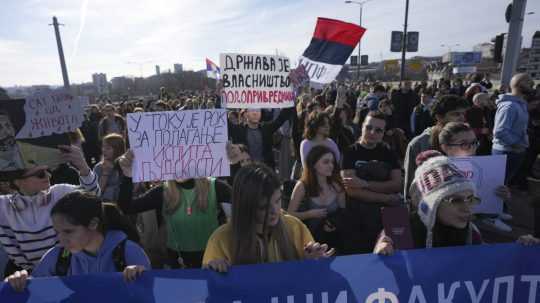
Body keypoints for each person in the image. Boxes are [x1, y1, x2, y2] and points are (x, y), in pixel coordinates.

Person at [374, 153, 540, 255]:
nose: (467, 208)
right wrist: (382, 252)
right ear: (431, 204)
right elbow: (382, 276)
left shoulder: (471, 232)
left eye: (470, 198)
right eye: (455, 200)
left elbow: (489, 263)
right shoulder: (399, 228)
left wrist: (520, 250)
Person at [4, 191, 150, 292]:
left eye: (68, 231)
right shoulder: (58, 256)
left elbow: (149, 293)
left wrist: (142, 276)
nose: (60, 240)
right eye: (57, 232)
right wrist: (19, 281)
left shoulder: (128, 252)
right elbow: (33, 290)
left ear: (93, 224)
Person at [203, 163, 334, 272]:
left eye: (277, 201)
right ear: (245, 206)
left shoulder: (294, 227)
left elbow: (312, 280)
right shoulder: (221, 239)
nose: (274, 211)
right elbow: (211, 289)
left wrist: (313, 261)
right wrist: (215, 269)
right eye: (263, 206)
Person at [117, 151, 231, 269]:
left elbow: (243, 205)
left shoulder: (216, 187)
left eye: (182, 159)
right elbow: (126, 207)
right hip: (177, 263)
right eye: (172, 160)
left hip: (213, 262)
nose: (177, 165)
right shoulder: (162, 191)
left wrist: (234, 164)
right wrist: (127, 175)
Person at [0, 145, 99, 277]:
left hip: (64, 270)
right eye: (40, 174)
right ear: (18, 181)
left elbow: (94, 197)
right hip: (24, 276)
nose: (47, 175)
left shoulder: (59, 192)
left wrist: (84, 167)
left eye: (47, 170)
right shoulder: (4, 206)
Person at [340, 111, 403, 254]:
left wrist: (364, 184)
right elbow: (351, 189)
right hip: (357, 218)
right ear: (362, 126)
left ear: (383, 133)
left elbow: (397, 184)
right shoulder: (350, 152)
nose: (372, 132)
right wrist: (386, 197)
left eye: (378, 130)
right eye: (369, 127)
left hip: (388, 218)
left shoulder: (389, 153)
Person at [435, 122, 513, 232]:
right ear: (446, 147)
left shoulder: (482, 166)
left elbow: (485, 195)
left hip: (470, 229)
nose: (472, 148)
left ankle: (492, 217)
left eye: (474, 143)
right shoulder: (436, 173)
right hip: (448, 234)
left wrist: (501, 196)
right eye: (464, 144)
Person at [403, 94, 470, 199]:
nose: (462, 118)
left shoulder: (469, 141)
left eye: (463, 114)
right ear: (439, 117)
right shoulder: (419, 144)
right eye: (456, 114)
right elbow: (410, 189)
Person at [287, 145, 346, 251]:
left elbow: (344, 211)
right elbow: (289, 215)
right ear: (314, 164)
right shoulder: (302, 186)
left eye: (332, 162)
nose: (331, 165)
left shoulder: (336, 185)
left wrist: (333, 222)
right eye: (326, 162)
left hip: (335, 239)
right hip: (310, 241)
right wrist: (310, 214)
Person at [492, 73, 534, 185]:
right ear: (520, 85)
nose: (532, 85)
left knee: (504, 183)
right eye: (529, 82)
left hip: (512, 151)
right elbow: (500, 131)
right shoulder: (510, 106)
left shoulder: (519, 104)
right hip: (506, 152)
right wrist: (517, 144)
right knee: (499, 184)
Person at [228, 108, 293, 170]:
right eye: (252, 111)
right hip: (245, 172)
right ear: (246, 114)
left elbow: (282, 117)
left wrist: (289, 101)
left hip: (264, 172)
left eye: (258, 111)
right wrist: (219, 99)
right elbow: (224, 121)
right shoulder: (238, 130)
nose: (255, 113)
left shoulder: (267, 128)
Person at [94, 133, 126, 202]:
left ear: (118, 149)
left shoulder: (127, 165)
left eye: (108, 148)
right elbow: (95, 193)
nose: (104, 150)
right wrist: (105, 173)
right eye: (103, 147)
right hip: (106, 206)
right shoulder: (99, 167)